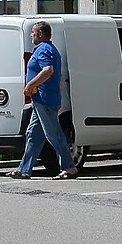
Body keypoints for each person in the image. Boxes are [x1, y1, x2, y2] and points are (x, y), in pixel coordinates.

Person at [11, 21, 78, 180]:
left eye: (33, 33)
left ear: (41, 34)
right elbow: (57, 77)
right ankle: (24, 169)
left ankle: (69, 167)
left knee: (54, 134)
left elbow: (48, 71)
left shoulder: (44, 49)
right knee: (33, 134)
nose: (31, 35)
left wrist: (30, 84)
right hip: (42, 99)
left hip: (44, 99)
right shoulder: (51, 49)